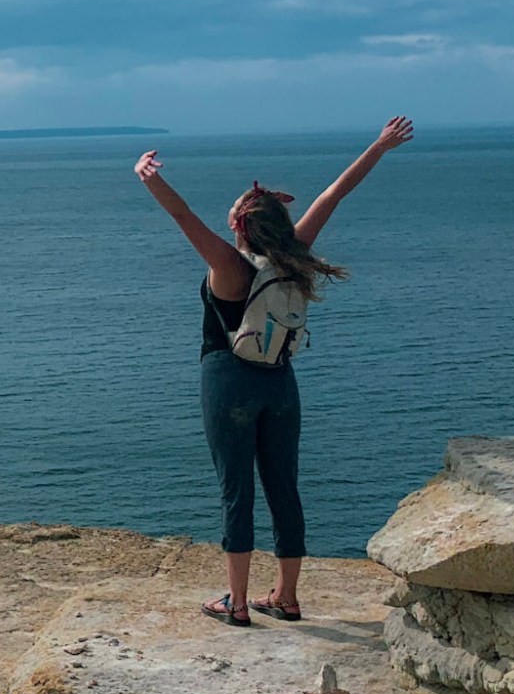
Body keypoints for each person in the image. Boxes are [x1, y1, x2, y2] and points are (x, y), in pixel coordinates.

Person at [134, 118, 415, 626]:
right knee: (283, 485)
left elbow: (183, 214)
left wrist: (149, 177)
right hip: (281, 382)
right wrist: (379, 145)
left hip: (229, 380)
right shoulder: (294, 256)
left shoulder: (228, 266)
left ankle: (237, 603)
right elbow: (335, 194)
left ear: (239, 225)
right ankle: (286, 597)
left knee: (235, 489)